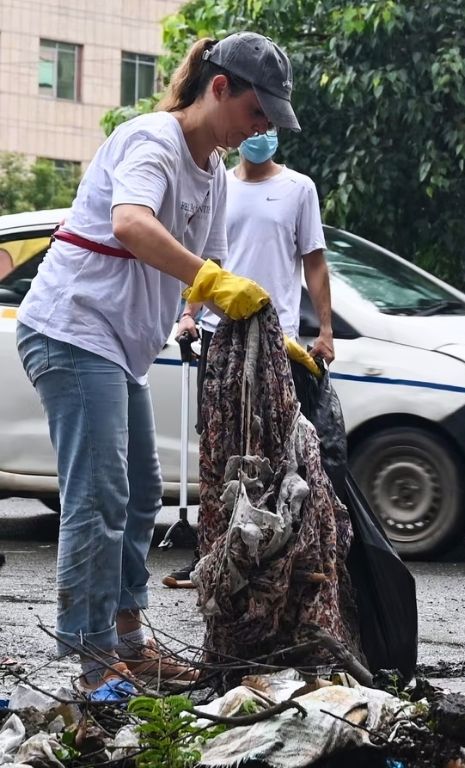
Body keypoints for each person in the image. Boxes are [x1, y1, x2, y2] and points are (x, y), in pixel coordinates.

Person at [14, 31, 309, 700]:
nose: (261, 129)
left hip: (119, 345)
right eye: (257, 112)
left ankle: (128, 639)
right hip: (70, 328)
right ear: (221, 88)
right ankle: (91, 665)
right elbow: (131, 225)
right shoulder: (152, 140)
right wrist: (211, 282)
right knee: (100, 495)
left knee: (142, 492)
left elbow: (210, 278)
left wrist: (262, 328)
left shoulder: (211, 176)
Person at [162, 126, 332, 588]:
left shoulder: (298, 189)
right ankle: (214, 555)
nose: (260, 134)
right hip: (222, 336)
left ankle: (279, 555)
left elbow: (314, 262)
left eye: (268, 125)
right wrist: (189, 313)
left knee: (277, 450)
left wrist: (327, 330)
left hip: (278, 342)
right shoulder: (220, 184)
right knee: (219, 447)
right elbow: (201, 259)